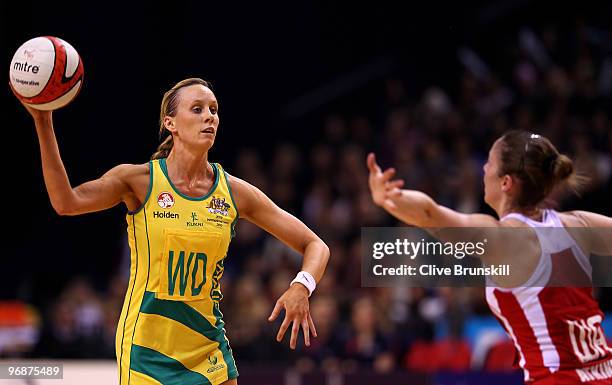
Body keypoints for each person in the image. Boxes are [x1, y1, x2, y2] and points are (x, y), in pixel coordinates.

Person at [13, 78, 330, 385]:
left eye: (214, 109)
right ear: (170, 123)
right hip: (146, 349)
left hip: (207, 346)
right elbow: (65, 202)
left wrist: (302, 286)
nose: (209, 116)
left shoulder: (234, 192)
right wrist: (43, 121)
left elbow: (315, 244)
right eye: (197, 109)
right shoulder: (139, 180)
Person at [367, 130, 612, 384]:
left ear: (506, 182)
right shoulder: (578, 224)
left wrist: (390, 197)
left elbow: (431, 214)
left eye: (489, 162)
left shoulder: (505, 239)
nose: (484, 168)